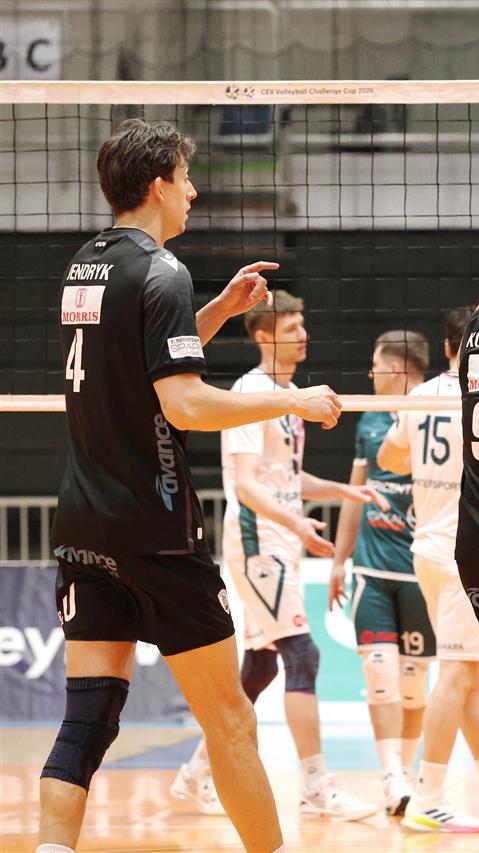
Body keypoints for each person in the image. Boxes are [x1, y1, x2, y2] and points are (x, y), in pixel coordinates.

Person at [40, 117, 341, 853]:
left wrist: (220, 312)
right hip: (156, 528)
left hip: (83, 523)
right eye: (186, 178)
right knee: (230, 720)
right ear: (157, 185)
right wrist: (294, 398)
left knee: (86, 719)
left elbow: (140, 358)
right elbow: (186, 404)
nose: (194, 192)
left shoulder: (85, 265)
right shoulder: (162, 269)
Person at [175, 291, 385, 823]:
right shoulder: (251, 393)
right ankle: (315, 785)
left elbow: (287, 477)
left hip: (278, 540)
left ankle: (196, 773)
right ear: (263, 335)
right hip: (257, 543)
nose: (304, 335)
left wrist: (344, 491)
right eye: (292, 328)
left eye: (303, 325)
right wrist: (295, 524)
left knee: (261, 666)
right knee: (303, 655)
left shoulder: (290, 396)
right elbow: (247, 486)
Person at [377, 308, 479, 833]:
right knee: (460, 674)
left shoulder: (420, 396)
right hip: (463, 553)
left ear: (446, 348)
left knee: (466, 678)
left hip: (427, 549)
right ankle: (428, 796)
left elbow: (389, 459)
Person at [327, 330, 437, 816]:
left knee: (413, 685)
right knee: (380, 678)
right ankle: (392, 775)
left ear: (395, 369)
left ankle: (408, 772)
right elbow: (355, 496)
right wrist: (339, 559)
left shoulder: (437, 412)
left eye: (375, 365)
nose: (370, 374)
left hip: (421, 571)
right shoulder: (369, 420)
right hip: (371, 572)